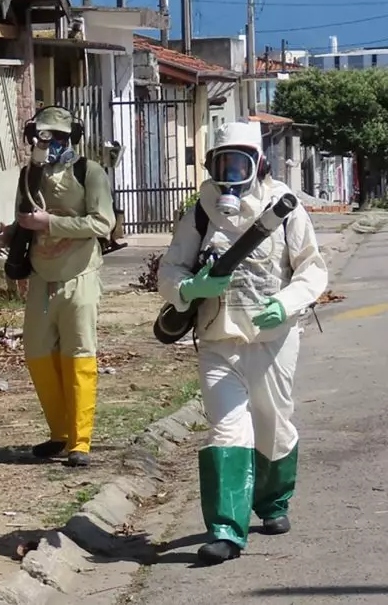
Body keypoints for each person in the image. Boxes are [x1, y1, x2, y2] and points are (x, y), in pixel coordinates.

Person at [157, 120, 328, 565]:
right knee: (227, 428)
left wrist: (287, 302)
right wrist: (190, 289)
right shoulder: (199, 213)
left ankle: (273, 503)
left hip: (272, 337)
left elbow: (312, 268)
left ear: (259, 163)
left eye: (239, 162)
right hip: (218, 339)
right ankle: (226, 530)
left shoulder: (285, 209)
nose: (230, 173)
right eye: (221, 163)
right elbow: (171, 270)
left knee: (272, 421)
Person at [0, 106, 116, 468]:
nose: (49, 144)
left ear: (71, 139)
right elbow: (26, 215)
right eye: (43, 136)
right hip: (41, 277)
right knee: (38, 354)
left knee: (79, 354)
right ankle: (59, 432)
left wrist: (51, 223)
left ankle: (80, 440)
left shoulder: (89, 173)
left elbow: (102, 223)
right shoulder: (29, 175)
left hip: (79, 275)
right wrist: (12, 233)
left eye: (58, 137)